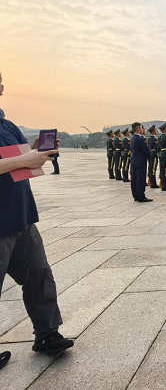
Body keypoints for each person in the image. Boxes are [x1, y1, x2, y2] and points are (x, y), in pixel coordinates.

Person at [0, 82, 74, 368]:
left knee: (40, 276)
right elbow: (19, 161)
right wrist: (23, 158)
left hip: (21, 216)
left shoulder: (8, 126)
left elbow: (23, 162)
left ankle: (47, 334)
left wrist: (37, 152)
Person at [130, 122, 153, 203]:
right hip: (141, 162)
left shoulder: (133, 138)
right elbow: (146, 150)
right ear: (139, 129)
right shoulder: (140, 139)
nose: (142, 129)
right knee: (141, 179)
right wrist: (149, 157)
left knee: (134, 179)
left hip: (134, 161)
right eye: (141, 128)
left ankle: (136, 196)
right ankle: (141, 197)